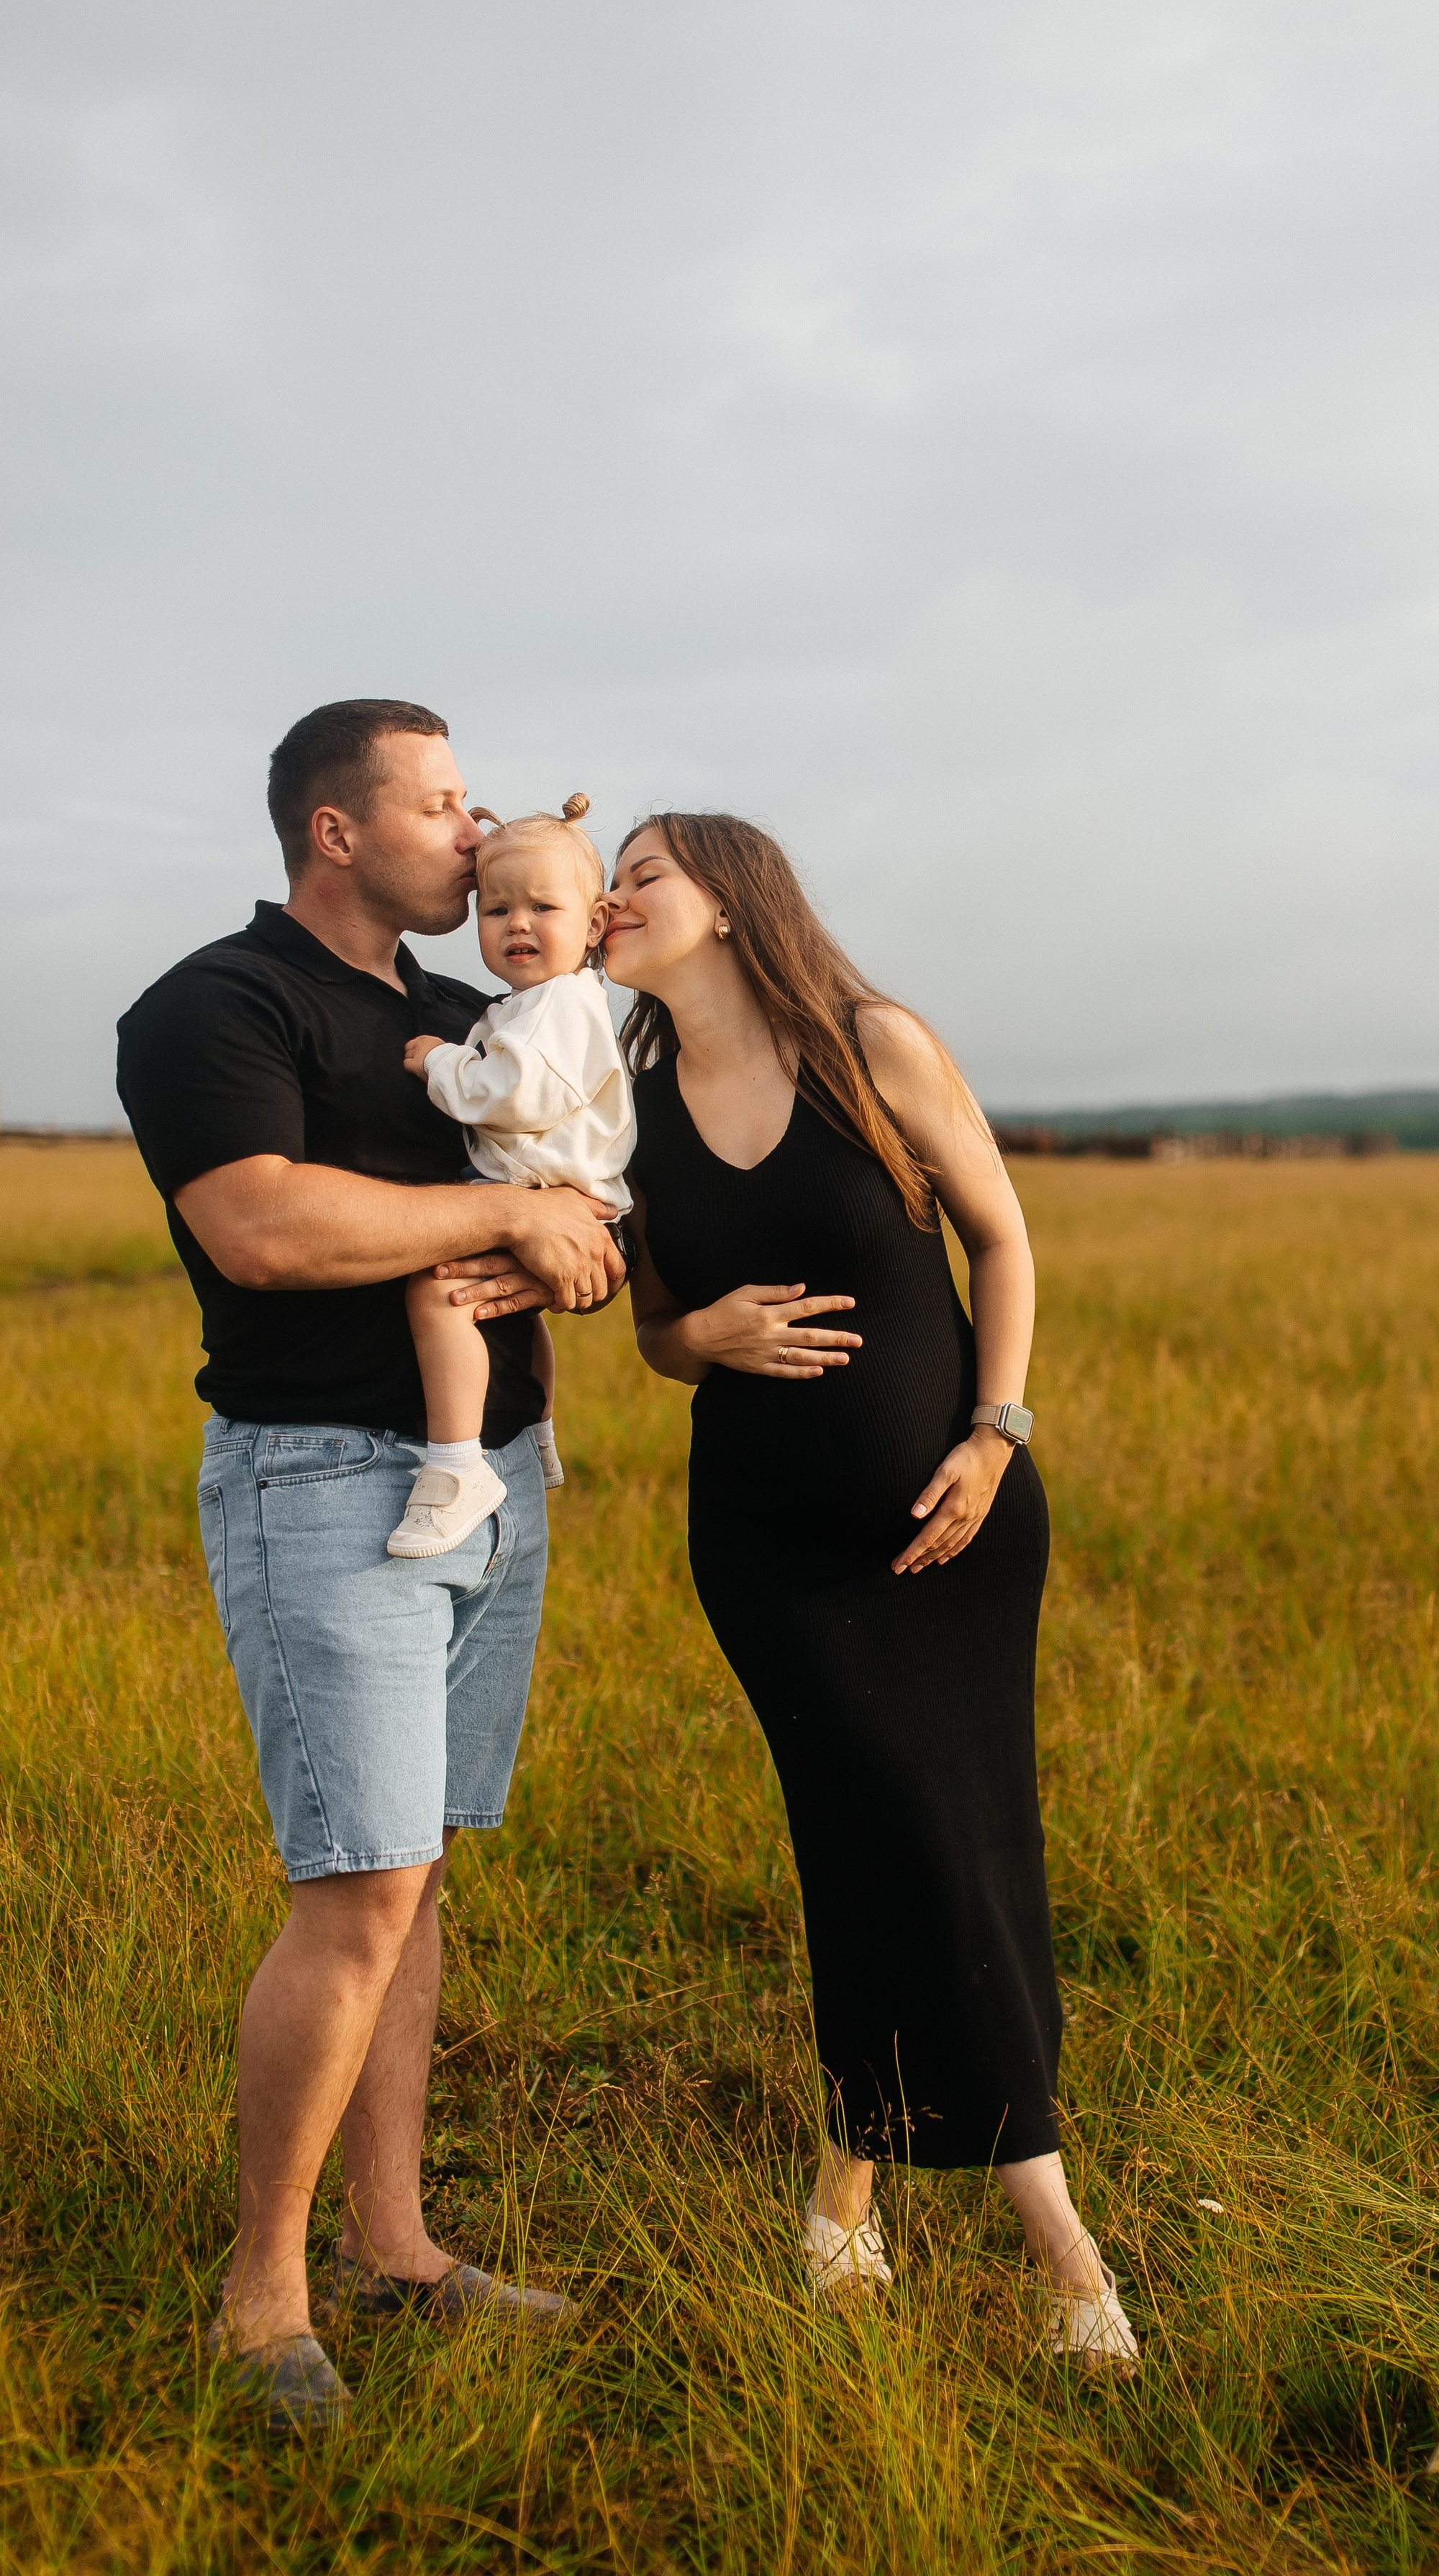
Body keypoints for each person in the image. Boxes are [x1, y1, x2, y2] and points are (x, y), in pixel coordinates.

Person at [525, 810, 1135, 2359]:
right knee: (877, 1830)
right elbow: (657, 1327)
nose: (612, 902)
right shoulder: (631, 1100)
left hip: (954, 1527)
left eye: (640, 876)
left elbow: (1001, 1243)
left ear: (729, 901)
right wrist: (699, 1340)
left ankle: (847, 2208)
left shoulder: (873, 1046)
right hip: (766, 1548)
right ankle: (1060, 2253)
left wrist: (995, 1440)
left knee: (940, 1840)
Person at [114, 698, 624, 2434]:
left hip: (497, 1483)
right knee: (352, 1889)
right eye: (439, 801)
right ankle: (262, 2302)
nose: (472, 833)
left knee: (413, 1879)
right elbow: (259, 1225)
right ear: (339, 831)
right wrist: (499, 1220)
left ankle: (395, 2244)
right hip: (326, 1484)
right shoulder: (217, 1004)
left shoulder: (473, 1011)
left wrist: (581, 1245)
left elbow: (577, 1186)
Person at [393, 793, 635, 1560]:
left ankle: (457, 1464)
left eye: (542, 906)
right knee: (510, 1312)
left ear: (595, 923)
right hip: (558, 1190)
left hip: (544, 1191)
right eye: (495, 909)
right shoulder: (542, 1003)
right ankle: (534, 1431)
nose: (517, 924)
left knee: (442, 1292)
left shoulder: (558, 1006)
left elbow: (512, 1094)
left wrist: (440, 1061)